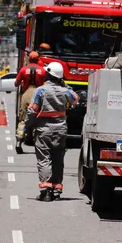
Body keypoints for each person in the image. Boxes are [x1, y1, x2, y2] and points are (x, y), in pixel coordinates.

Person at [24, 62, 79, 202]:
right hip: (60, 130)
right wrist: (65, 85)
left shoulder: (40, 91)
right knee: (58, 159)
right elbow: (75, 99)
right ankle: (56, 190)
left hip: (44, 130)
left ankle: (46, 191)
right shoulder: (64, 91)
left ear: (48, 75)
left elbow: (32, 111)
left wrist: (27, 126)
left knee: (44, 160)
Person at [14, 51, 46, 147]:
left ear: (29, 59)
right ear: (38, 59)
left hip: (26, 94)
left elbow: (16, 83)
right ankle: (37, 140)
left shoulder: (23, 70)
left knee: (23, 118)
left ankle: (19, 141)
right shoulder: (43, 70)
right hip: (38, 94)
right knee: (39, 118)